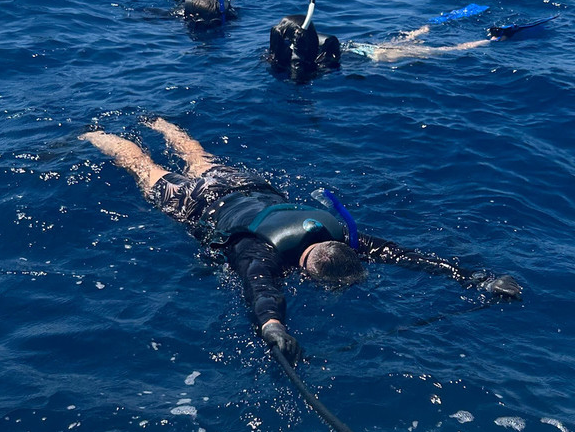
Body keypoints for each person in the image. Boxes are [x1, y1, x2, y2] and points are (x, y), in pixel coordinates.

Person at [80, 118, 522, 363]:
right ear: (310, 270)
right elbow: (260, 289)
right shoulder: (260, 251)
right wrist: (273, 328)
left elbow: (406, 256)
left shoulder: (338, 236)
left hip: (245, 183)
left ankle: (159, 123)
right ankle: (93, 135)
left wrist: (477, 278)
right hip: (199, 204)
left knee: (196, 155)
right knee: (143, 166)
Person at [345, 9, 558, 63]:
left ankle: (491, 40)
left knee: (445, 50)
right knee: (439, 49)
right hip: (374, 50)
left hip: (376, 53)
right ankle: (419, 32)